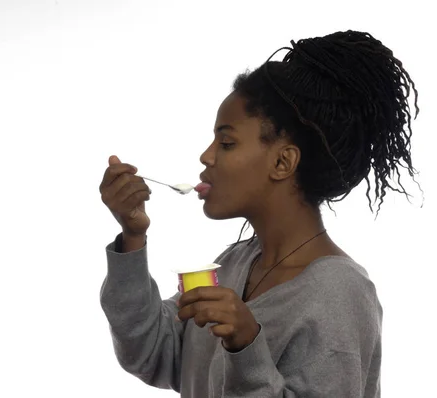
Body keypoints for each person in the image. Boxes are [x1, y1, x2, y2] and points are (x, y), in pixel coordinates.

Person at [99, 29, 419, 398]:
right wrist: (132, 238)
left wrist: (246, 345)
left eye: (227, 142)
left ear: (283, 161)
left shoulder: (339, 295)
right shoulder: (235, 264)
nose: (206, 156)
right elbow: (151, 353)